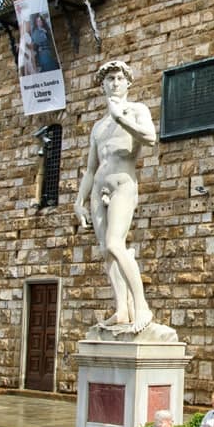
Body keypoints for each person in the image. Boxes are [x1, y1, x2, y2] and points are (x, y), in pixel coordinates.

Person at [74, 60, 157, 333]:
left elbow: (150, 138)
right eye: (109, 80)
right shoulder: (98, 127)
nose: (114, 83)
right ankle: (122, 308)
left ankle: (141, 306)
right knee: (105, 251)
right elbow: (90, 169)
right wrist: (79, 200)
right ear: (103, 86)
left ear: (128, 82)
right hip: (99, 187)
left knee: (115, 244)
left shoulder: (136, 110)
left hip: (123, 183)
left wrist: (121, 117)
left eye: (119, 78)